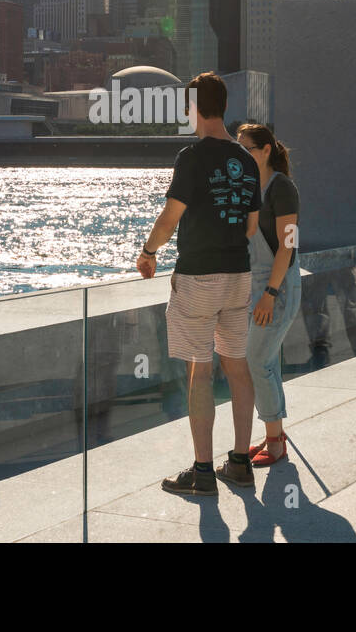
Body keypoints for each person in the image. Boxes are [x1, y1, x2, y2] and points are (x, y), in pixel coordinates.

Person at [137, 72, 261, 495]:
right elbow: (250, 225)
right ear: (223, 106)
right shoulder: (245, 159)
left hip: (198, 275)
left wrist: (148, 252)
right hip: (238, 274)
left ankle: (203, 471)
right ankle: (241, 462)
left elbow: (170, 219)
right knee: (238, 365)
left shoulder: (190, 157)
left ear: (194, 107)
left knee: (200, 372)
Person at [235, 123, 302, 467]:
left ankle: (275, 441)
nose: (241, 154)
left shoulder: (282, 188)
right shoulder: (249, 187)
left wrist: (270, 293)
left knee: (257, 361)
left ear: (265, 150)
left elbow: (287, 246)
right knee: (266, 362)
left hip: (277, 287)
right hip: (254, 286)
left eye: (247, 148)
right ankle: (271, 434)